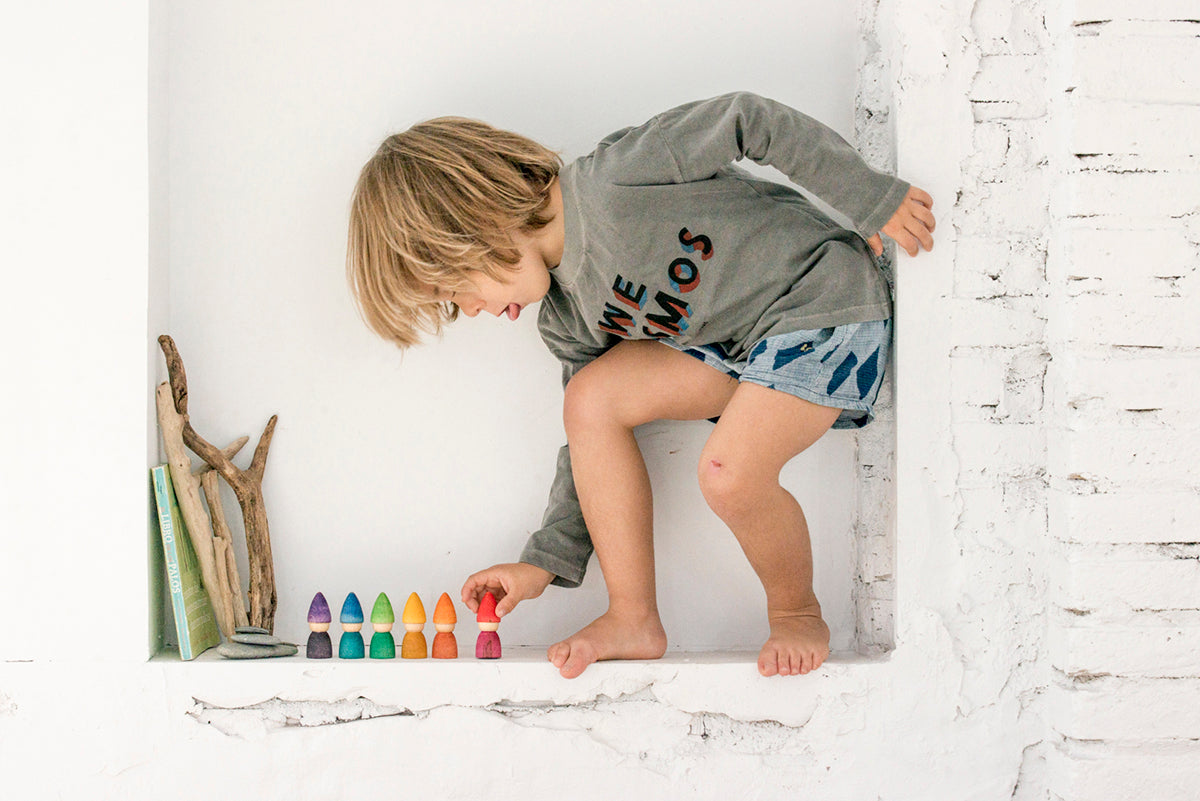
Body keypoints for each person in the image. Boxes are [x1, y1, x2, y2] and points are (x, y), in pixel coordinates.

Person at [346, 92, 935, 679]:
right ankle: (632, 617)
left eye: (453, 291)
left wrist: (868, 197)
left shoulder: (616, 180)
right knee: (589, 399)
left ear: (468, 228)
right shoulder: (567, 317)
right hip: (745, 352)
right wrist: (544, 562)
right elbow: (584, 449)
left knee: (728, 474)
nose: (468, 310)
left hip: (822, 305)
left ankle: (796, 610)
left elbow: (747, 120)